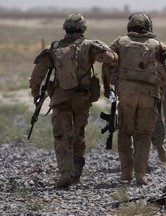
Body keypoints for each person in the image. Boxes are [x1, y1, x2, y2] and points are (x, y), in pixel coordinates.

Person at [29, 13, 118, 189]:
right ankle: (76, 174)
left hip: (60, 98)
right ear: (83, 29)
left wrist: (35, 95)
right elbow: (112, 59)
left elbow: (37, 75)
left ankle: (65, 174)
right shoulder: (89, 46)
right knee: (78, 134)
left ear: (65, 29)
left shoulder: (53, 48)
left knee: (62, 136)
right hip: (82, 98)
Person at [102, 12, 166, 185]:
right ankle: (140, 174)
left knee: (125, 133)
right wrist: (161, 90)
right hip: (149, 96)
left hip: (126, 94)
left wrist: (107, 87)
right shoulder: (158, 45)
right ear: (148, 27)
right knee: (143, 135)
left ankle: (126, 173)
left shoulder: (120, 42)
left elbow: (107, 64)